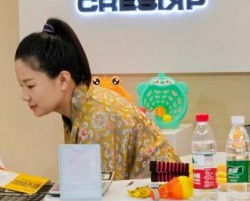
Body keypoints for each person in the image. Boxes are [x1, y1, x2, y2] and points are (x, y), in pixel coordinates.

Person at [14, 17, 179, 180]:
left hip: (167, 193)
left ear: (63, 80)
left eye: (30, 85)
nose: (24, 96)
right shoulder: (80, 107)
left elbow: (104, 190)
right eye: (22, 86)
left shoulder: (98, 117)